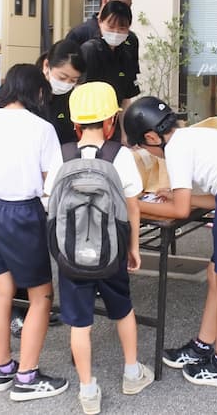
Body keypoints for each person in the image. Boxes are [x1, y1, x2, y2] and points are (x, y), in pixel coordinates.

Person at [124, 96, 217, 389]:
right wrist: (184, 197)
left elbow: (179, 211)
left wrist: (134, 206)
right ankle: (203, 346)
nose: (150, 153)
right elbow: (216, 196)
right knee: (216, 274)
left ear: (152, 137)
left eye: (144, 147)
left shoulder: (176, 147)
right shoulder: (194, 135)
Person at [0, 64, 68, 401]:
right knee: (41, 297)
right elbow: (51, 182)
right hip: (22, 214)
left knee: (2, 291)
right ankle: (27, 376)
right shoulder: (41, 128)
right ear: (38, 92)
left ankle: (3, 368)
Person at [57, 82, 153, 414]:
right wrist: (133, 247)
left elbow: (49, 205)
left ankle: (87, 390)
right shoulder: (119, 155)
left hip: (71, 254)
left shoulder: (63, 154)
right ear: (112, 121)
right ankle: (131, 373)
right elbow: (134, 206)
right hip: (110, 250)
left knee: (79, 323)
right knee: (123, 309)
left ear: (76, 124)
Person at [0, 39, 85, 144]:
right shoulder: (18, 87)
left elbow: (69, 136)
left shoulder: (70, 97)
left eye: (73, 80)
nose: (66, 84)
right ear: (47, 65)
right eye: (62, 78)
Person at [66, 0, 140, 96]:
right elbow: (68, 78)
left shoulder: (130, 40)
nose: (124, 12)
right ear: (105, 1)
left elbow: (129, 85)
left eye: (128, 7)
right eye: (120, 6)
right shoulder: (80, 34)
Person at [79, 0, 141, 111]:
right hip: (90, 117)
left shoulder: (126, 54)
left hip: (114, 119)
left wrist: (124, 128)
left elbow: (126, 99)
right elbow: (80, 92)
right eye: (111, 27)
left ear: (128, 28)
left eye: (121, 28)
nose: (116, 32)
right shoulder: (90, 51)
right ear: (100, 22)